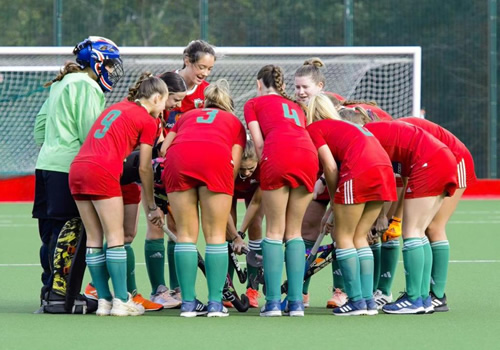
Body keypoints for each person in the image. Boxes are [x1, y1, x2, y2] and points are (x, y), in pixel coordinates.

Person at [83, 72, 188, 311]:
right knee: (116, 238)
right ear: (159, 97)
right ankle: (122, 300)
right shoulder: (147, 119)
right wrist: (151, 206)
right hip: (108, 172)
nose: (175, 107)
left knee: (96, 240)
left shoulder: (119, 107)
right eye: (173, 100)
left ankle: (104, 300)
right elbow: (145, 166)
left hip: (81, 168)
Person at [32, 36, 123, 301]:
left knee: (49, 234)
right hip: (69, 168)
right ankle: (63, 294)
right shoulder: (88, 86)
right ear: (95, 61)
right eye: (107, 65)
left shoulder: (60, 83)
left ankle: (49, 289)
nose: (109, 71)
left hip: (45, 165)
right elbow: (90, 133)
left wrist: (55, 143)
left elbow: (40, 128)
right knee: (69, 232)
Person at [341, 111, 458, 314]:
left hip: (428, 163)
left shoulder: (363, 137)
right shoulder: (380, 133)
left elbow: (379, 180)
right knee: (419, 232)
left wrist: (377, 217)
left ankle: (414, 299)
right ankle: (422, 298)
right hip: (442, 159)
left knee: (411, 231)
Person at [162, 79, 246, 317]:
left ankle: (188, 303)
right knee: (216, 237)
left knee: (186, 236)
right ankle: (215, 304)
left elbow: (164, 148)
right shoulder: (234, 122)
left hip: (179, 160)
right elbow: (235, 161)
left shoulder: (187, 116)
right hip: (215, 163)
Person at [306, 94, 397, 316]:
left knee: (343, 237)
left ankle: (355, 301)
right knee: (359, 237)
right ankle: (368, 301)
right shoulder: (347, 126)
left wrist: (336, 204)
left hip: (360, 172)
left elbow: (330, 167)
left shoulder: (316, 128)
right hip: (384, 172)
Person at [244, 64, 318, 317]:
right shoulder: (298, 107)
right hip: (308, 156)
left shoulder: (253, 104)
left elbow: (259, 143)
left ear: (258, 84)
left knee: (274, 231)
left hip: (278, 154)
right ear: (283, 86)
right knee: (294, 232)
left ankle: (273, 302)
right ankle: (296, 303)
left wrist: (267, 167)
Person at [397, 116, 477, 311]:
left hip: (456, 162)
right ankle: (427, 292)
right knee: (423, 228)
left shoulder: (396, 133)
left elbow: (404, 180)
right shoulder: (395, 130)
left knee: (433, 227)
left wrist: (394, 218)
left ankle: (438, 295)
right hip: (443, 161)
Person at [294, 58, 348, 309]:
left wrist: (327, 185)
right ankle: (301, 291)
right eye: (297, 87)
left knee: (339, 233)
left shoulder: (331, 104)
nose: (301, 92)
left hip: (335, 176)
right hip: (313, 177)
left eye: (305, 87)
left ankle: (341, 291)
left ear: (320, 86)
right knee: (306, 231)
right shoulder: (293, 110)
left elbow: (334, 156)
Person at [226, 138, 264, 308]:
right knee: (226, 230)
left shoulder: (264, 167)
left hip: (253, 194)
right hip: (229, 193)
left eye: (251, 169)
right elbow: (223, 208)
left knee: (255, 225)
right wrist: (234, 236)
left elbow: (256, 203)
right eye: (242, 169)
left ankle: (252, 288)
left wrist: (241, 233)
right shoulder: (228, 166)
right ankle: (227, 289)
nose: (247, 173)